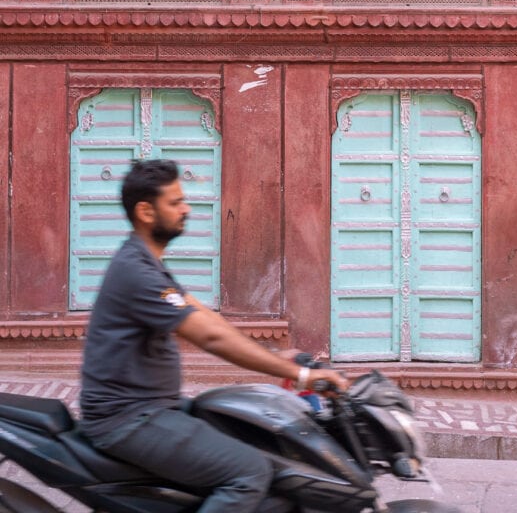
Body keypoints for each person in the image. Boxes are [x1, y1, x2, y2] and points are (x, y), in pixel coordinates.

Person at [79, 158, 348, 513]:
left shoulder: (147, 264)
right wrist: (300, 375)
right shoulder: (137, 271)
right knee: (249, 472)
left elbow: (209, 319)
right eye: (175, 202)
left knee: (256, 437)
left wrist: (276, 357)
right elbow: (210, 338)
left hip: (154, 409)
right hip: (128, 419)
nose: (186, 208)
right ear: (146, 211)